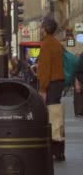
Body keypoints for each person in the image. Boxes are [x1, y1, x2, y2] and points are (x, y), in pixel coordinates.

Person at [37, 17, 66, 161]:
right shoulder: (57, 44)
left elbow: (45, 69)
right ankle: (59, 150)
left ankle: (55, 151)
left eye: (41, 27)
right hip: (58, 83)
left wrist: (42, 89)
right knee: (57, 116)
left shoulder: (47, 45)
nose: (40, 30)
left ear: (45, 29)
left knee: (52, 117)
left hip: (51, 84)